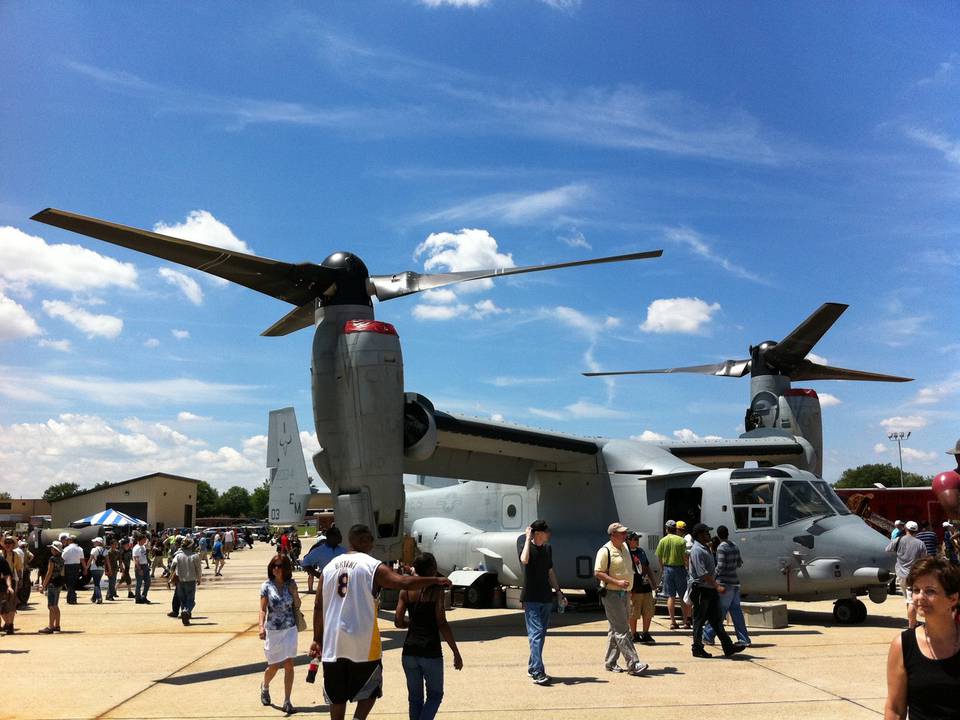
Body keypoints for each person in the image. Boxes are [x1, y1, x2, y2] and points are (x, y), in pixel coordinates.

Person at [310, 524, 451, 720]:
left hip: (333, 644)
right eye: (370, 539)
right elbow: (402, 582)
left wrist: (317, 639)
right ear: (361, 541)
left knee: (337, 695)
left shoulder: (329, 568)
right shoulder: (371, 565)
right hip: (363, 643)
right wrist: (434, 581)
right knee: (371, 689)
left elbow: (318, 606)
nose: (372, 543)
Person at [883, 556, 960, 719]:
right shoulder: (903, 645)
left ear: (953, 598)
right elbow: (895, 708)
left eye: (930, 591)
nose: (920, 597)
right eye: (916, 590)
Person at [394, 553, 463, 720]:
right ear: (432, 569)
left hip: (409, 650)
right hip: (430, 650)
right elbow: (442, 623)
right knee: (435, 695)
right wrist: (455, 652)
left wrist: (412, 623)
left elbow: (397, 621)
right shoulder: (436, 590)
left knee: (415, 699)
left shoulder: (406, 589)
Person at [594, 522, 648, 675]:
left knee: (615, 628)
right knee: (623, 630)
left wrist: (630, 590)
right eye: (622, 533)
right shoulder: (605, 551)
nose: (625, 535)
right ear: (613, 535)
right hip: (611, 594)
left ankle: (610, 662)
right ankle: (633, 663)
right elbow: (598, 572)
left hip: (624, 594)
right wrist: (617, 582)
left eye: (625, 532)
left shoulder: (624, 548)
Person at [688, 523, 746, 659]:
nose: (709, 535)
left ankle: (728, 646)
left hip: (709, 589)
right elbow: (703, 573)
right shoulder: (697, 550)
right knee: (699, 620)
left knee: (716, 619)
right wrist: (717, 585)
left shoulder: (705, 548)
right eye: (706, 533)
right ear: (699, 535)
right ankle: (697, 648)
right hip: (702, 589)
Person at [519, 519, 564, 684]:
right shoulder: (527, 548)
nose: (549, 534)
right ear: (537, 533)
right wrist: (526, 538)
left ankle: (532, 667)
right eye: (546, 531)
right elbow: (524, 560)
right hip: (531, 597)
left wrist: (558, 591)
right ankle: (538, 671)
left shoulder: (547, 548)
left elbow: (550, 571)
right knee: (536, 634)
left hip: (545, 597)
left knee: (540, 635)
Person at [259, 554, 302, 715]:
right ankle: (265, 686)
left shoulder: (291, 584)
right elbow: (262, 609)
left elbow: (297, 604)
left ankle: (287, 701)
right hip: (273, 630)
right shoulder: (266, 586)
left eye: (279, 566)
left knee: (289, 664)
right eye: (274, 566)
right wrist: (260, 627)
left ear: (286, 568)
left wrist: (294, 593)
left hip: (290, 628)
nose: (276, 569)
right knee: (274, 666)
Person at [703, 525, 751, 647]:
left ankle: (708, 636)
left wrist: (712, 576)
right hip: (735, 583)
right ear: (728, 533)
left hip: (724, 584)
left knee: (718, 612)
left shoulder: (721, 547)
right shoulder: (734, 545)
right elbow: (739, 563)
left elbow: (721, 566)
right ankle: (744, 639)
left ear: (719, 535)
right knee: (736, 613)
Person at [886, 521, 928, 629]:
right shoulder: (920, 543)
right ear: (916, 531)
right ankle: (912, 625)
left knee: (908, 600)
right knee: (911, 601)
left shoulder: (898, 540)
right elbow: (924, 558)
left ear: (905, 529)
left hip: (900, 574)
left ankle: (912, 621)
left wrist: (900, 553)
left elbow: (887, 549)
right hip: (913, 575)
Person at [655, 520, 691, 629]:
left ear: (666, 529)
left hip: (667, 569)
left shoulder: (662, 541)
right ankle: (686, 622)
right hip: (680, 569)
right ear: (675, 529)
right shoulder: (681, 541)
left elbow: (659, 557)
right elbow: (685, 558)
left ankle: (673, 622)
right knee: (683, 596)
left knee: (670, 596)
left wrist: (663, 569)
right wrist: (687, 568)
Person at [625, 531, 657, 645]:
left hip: (645, 586)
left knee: (648, 611)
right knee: (634, 612)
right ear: (628, 540)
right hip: (634, 588)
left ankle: (646, 633)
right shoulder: (625, 553)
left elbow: (647, 567)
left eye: (638, 539)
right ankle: (634, 634)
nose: (637, 541)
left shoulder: (641, 551)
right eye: (635, 539)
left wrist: (654, 582)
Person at [302, 526, 346, 594]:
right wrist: (318, 575)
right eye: (338, 535)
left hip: (343, 587)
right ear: (331, 537)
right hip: (326, 588)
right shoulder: (319, 550)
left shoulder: (344, 550)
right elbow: (305, 563)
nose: (341, 537)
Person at [170, 537, 203, 625]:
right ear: (191, 546)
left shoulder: (178, 555)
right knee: (191, 600)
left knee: (183, 599)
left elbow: (172, 566)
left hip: (180, 580)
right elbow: (198, 569)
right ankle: (186, 611)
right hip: (191, 580)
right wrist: (199, 578)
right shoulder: (195, 556)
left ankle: (185, 616)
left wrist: (172, 576)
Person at [38, 540, 65, 634]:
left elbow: (49, 573)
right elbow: (62, 573)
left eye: (53, 548)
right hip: (59, 583)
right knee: (55, 605)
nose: (51, 550)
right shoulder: (62, 559)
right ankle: (57, 625)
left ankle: (51, 626)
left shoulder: (52, 559)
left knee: (51, 606)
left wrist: (43, 585)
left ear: (56, 550)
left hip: (52, 583)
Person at [61, 534, 85, 605]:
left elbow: (62, 559)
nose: (67, 541)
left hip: (68, 567)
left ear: (71, 540)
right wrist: (85, 568)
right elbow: (82, 560)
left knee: (68, 583)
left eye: (68, 540)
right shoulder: (80, 549)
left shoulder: (67, 549)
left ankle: (72, 598)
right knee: (73, 583)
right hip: (77, 566)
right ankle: (72, 598)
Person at [0, 540, 16, 635]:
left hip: (3, 586)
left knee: (8, 606)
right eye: (6, 543)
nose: (7, 545)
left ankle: (9, 625)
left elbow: (7, 574)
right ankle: (8, 624)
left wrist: (9, 586)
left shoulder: (1, 560)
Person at [132, 533, 152, 604]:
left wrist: (148, 561)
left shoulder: (143, 547)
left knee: (148, 582)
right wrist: (139, 569)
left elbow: (144, 556)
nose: (145, 541)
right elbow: (136, 559)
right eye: (144, 539)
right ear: (140, 540)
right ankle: (138, 598)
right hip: (140, 566)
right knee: (139, 583)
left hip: (145, 566)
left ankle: (143, 596)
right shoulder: (136, 548)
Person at [88, 537, 107, 604]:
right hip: (101, 569)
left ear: (98, 542)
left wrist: (86, 568)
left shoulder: (94, 550)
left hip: (94, 568)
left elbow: (90, 560)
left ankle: (99, 598)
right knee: (97, 583)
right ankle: (94, 598)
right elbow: (107, 561)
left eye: (95, 542)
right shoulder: (105, 550)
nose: (94, 543)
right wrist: (109, 569)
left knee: (96, 584)